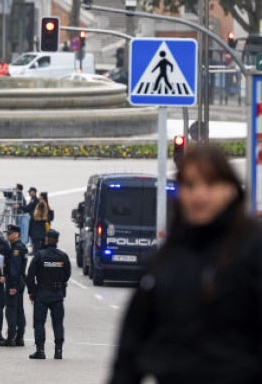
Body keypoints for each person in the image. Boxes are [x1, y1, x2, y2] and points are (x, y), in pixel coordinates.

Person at [109, 146, 262, 384]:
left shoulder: (252, 250)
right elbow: (132, 344)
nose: (199, 195)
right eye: (190, 185)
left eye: (210, 184)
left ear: (230, 190)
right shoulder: (166, 259)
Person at [26, 229, 71, 360]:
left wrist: (31, 290)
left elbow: (30, 275)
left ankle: (40, 350)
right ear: (57, 241)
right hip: (57, 293)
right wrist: (60, 284)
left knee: (40, 322)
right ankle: (58, 350)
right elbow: (67, 275)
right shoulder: (63, 256)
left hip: (42, 293)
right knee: (58, 323)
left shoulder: (39, 256)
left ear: (46, 240)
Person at [0, 224, 28, 347]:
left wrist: (13, 286)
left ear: (16, 234)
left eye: (10, 233)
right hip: (19, 282)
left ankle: (11, 336)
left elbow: (15, 269)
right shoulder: (19, 247)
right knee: (19, 310)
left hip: (14, 282)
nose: (7, 235)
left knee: (12, 310)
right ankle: (20, 337)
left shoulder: (16, 249)